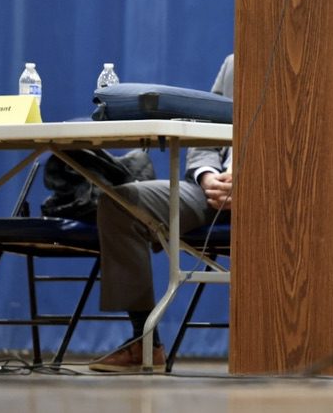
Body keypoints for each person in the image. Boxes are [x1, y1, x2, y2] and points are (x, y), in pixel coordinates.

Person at [88, 54, 234, 373]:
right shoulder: (236, 64)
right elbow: (204, 134)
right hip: (211, 190)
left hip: (278, 197)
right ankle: (144, 342)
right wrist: (209, 176)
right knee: (121, 201)